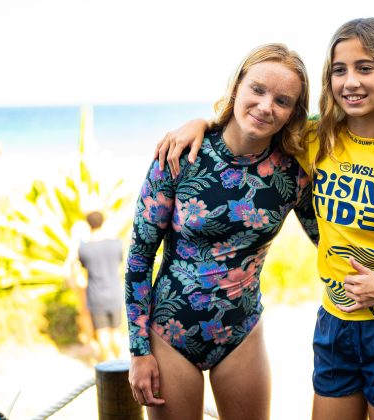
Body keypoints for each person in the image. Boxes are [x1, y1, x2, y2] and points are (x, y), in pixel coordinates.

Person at [155, 17, 374, 420]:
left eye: (365, 67)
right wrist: (201, 123)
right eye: (339, 70)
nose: (350, 82)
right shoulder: (315, 138)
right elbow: (254, 119)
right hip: (334, 326)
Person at [125, 43, 318, 420]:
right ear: (237, 88)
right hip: (170, 336)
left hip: (242, 334)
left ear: (294, 113)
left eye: (282, 100)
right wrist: (139, 350)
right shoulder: (180, 154)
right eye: (258, 90)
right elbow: (139, 258)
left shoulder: (293, 174)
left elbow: (327, 241)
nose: (265, 106)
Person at [75, 210, 124, 361]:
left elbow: (82, 266)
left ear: (88, 225)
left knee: (102, 334)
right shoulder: (116, 244)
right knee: (116, 332)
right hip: (115, 293)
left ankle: (108, 366)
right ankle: (120, 364)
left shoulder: (84, 248)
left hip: (96, 296)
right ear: (103, 222)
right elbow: (120, 261)